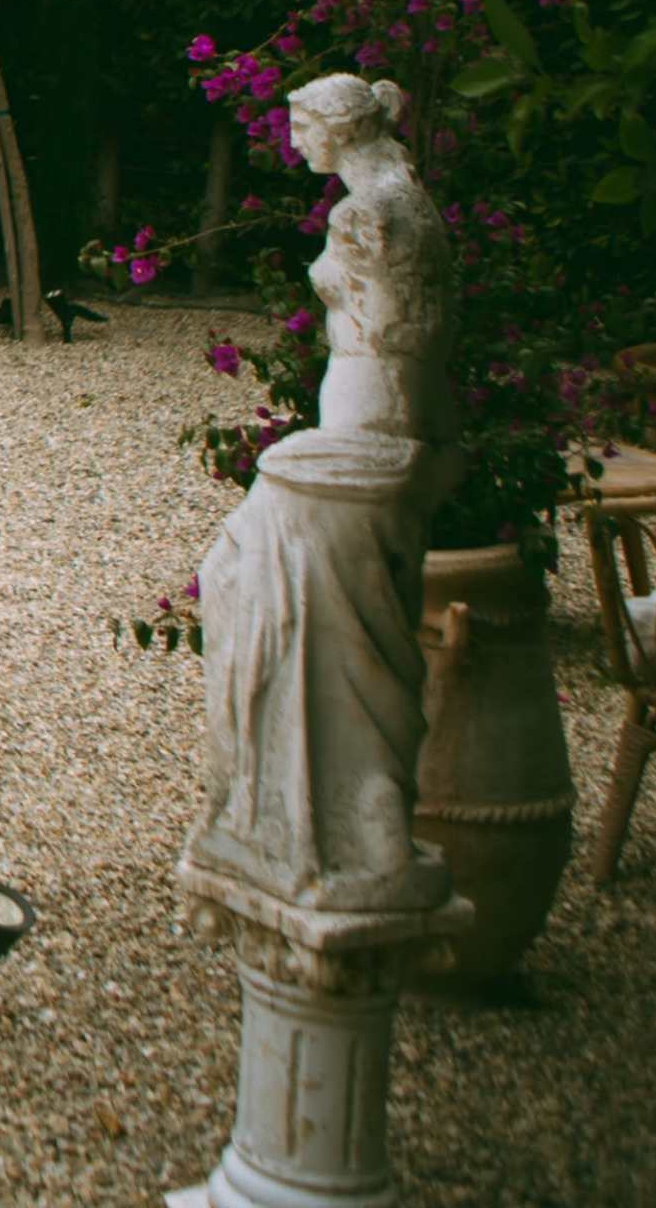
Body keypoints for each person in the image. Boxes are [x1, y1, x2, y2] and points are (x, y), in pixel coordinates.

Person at [187, 74, 460, 914]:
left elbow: (390, 338)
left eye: (301, 124)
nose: (292, 138)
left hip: (360, 445)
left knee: (279, 602)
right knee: (324, 622)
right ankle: (330, 821)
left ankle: (307, 821)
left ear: (338, 128)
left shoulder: (365, 214)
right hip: (386, 437)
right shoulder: (404, 197)